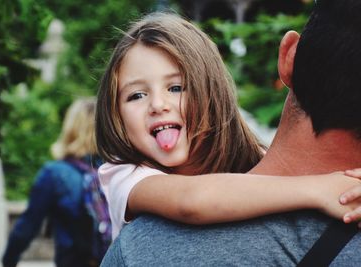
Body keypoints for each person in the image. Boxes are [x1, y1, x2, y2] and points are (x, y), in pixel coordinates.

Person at [100, 1, 361, 265]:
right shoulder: (123, 174)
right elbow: (190, 201)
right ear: (114, 113)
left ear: (212, 94)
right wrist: (320, 188)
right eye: (136, 95)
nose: (158, 105)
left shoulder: (249, 157)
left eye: (177, 88)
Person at [2, 99, 111, 267]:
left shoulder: (55, 174)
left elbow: (27, 227)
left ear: (70, 128)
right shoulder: (115, 172)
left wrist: (8, 261)